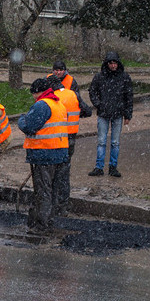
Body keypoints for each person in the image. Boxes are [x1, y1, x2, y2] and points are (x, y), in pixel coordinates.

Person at [17, 78, 69, 235]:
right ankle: (49, 220)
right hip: (59, 153)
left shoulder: (42, 105)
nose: (33, 97)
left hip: (44, 153)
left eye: (33, 93)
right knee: (53, 189)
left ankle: (41, 225)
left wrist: (21, 119)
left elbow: (29, 126)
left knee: (43, 190)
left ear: (38, 92)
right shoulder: (58, 104)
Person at [48, 76, 92, 215]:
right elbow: (88, 111)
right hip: (71, 138)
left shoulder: (53, 98)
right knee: (64, 172)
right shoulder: (73, 94)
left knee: (52, 174)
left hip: (57, 139)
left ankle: (53, 206)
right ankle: (63, 205)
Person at [88, 51, 133, 177]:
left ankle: (112, 166)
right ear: (107, 64)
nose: (113, 66)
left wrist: (127, 114)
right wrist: (99, 104)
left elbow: (129, 96)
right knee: (102, 141)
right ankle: (99, 166)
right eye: (111, 63)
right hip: (104, 113)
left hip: (117, 114)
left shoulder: (124, 77)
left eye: (115, 63)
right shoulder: (100, 77)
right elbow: (92, 91)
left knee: (114, 142)